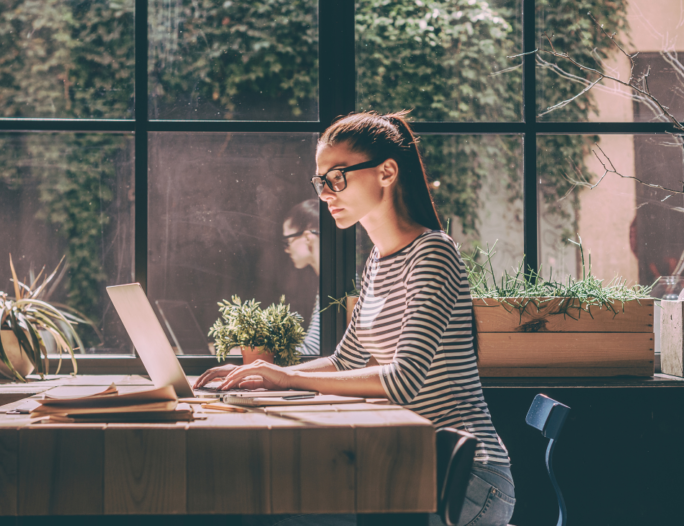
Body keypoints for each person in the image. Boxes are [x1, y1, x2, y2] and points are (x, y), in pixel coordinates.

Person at [196, 111, 515, 526]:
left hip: (465, 478)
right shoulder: (377, 262)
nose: (326, 192)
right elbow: (345, 360)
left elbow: (402, 382)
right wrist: (262, 374)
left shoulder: (433, 253)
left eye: (338, 176)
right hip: (410, 464)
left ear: (386, 172)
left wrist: (286, 378)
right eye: (320, 180)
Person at [282, 199, 320, 356]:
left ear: (307, 237)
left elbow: (313, 351)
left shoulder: (336, 285)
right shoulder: (329, 283)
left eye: (287, 241)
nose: (287, 250)